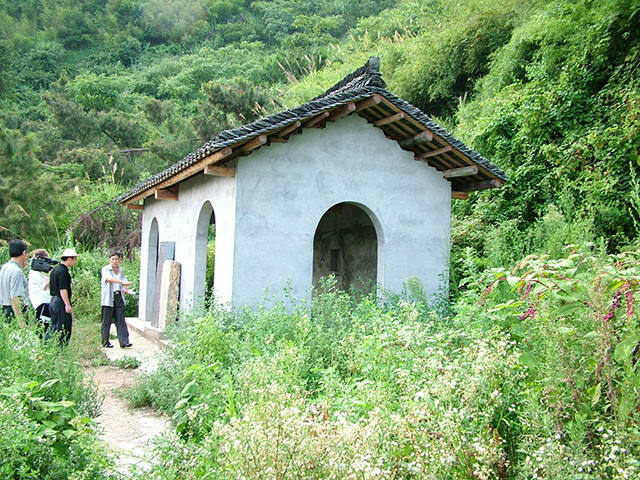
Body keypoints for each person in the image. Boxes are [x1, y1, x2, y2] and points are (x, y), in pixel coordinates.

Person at [100, 251, 132, 349]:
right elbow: (109, 279)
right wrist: (121, 281)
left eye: (116, 259)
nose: (115, 261)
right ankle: (105, 341)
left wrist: (125, 288)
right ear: (110, 260)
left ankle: (124, 341)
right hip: (109, 298)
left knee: (121, 319)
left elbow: (120, 284)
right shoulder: (106, 269)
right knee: (107, 320)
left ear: (120, 260)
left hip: (118, 296)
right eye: (113, 259)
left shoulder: (120, 270)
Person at [48, 248, 78, 345]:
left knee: (54, 325)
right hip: (60, 301)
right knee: (63, 326)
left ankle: (51, 345)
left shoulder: (55, 269)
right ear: (69, 259)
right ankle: (61, 347)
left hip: (53, 300)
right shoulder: (63, 272)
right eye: (74, 259)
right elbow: (63, 289)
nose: (75, 261)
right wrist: (67, 304)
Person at [0, 239, 29, 321]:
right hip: (14, 312)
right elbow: (15, 298)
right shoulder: (16, 272)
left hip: (4, 309)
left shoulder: (4, 267)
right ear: (24, 253)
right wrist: (21, 322)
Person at [28, 249, 52, 335]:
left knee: (46, 326)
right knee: (42, 329)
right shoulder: (34, 273)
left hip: (43, 303)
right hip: (41, 303)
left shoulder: (38, 273)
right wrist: (52, 275)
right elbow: (44, 286)